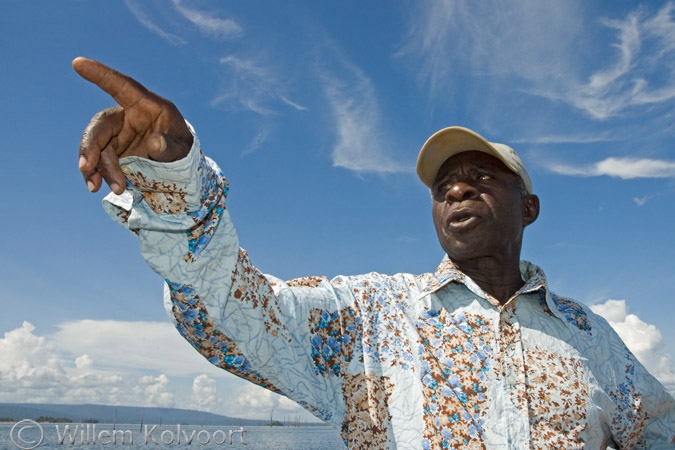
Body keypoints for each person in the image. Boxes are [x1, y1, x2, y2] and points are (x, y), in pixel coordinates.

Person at [74, 57, 675, 449]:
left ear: (529, 208)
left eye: (481, 177)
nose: (457, 189)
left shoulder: (589, 336)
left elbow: (658, 430)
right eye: (444, 186)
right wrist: (175, 179)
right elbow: (231, 312)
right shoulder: (370, 316)